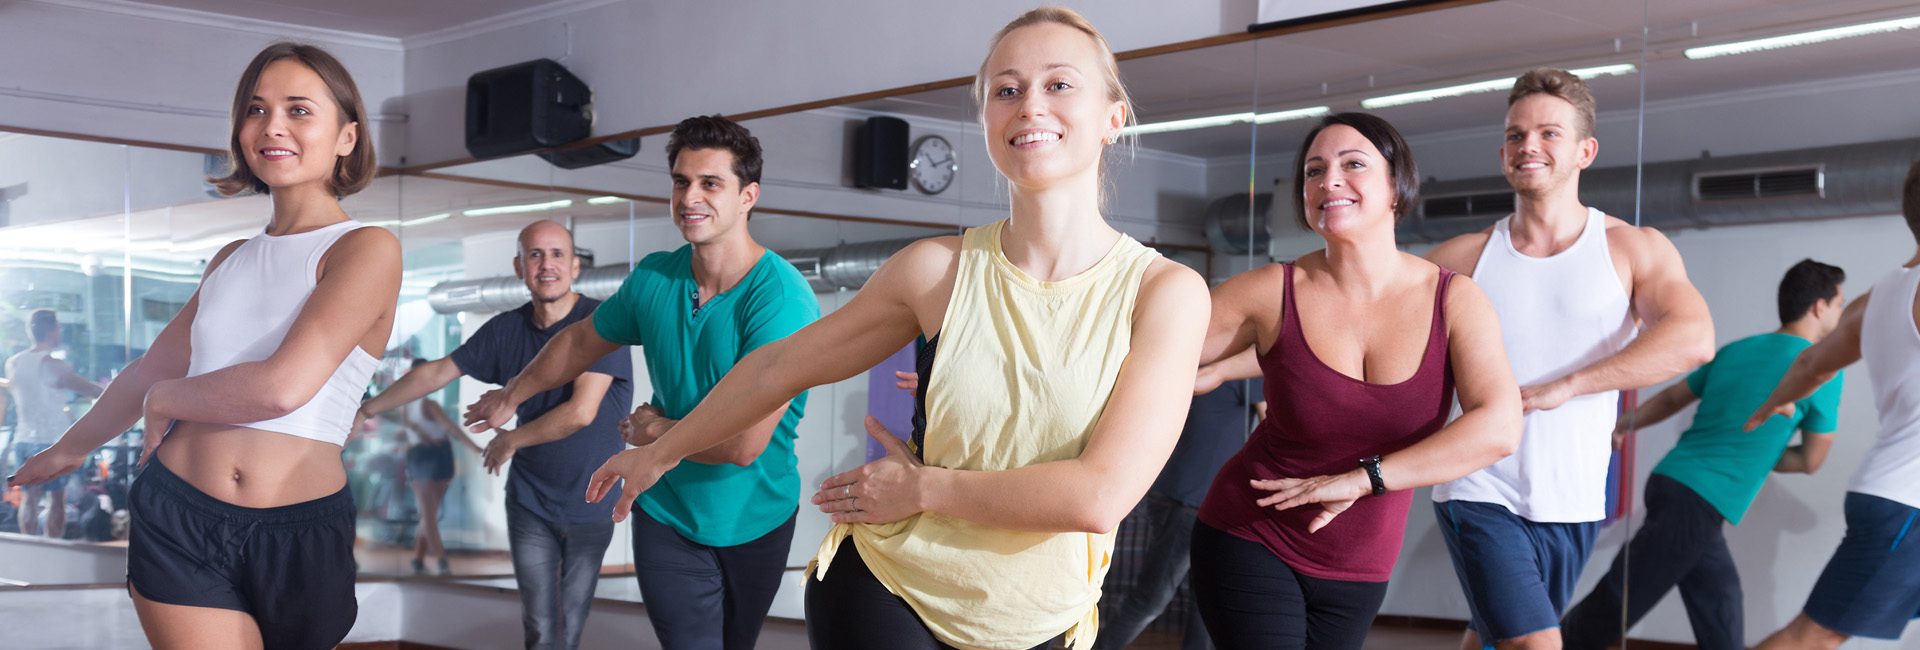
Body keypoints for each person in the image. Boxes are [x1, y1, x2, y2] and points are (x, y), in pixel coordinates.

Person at [572, 8, 1210, 650]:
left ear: (1113, 117)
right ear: (987, 119)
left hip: (1042, 617)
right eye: (1006, 90)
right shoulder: (934, 272)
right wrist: (661, 451)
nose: (1029, 107)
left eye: (1060, 85)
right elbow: (775, 370)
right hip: (890, 589)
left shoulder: (1164, 294)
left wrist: (923, 488)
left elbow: (1098, 496)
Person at [8, 42, 396, 649]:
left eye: (299, 110)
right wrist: (70, 448)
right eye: (257, 110)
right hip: (179, 513)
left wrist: (167, 399)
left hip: (299, 532)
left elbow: (281, 388)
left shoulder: (366, 249)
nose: (273, 126)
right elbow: (148, 371)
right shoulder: (230, 258)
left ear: (346, 136)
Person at [464, 116, 818, 650]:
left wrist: (655, 432)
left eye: (710, 183)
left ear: (748, 196)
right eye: (681, 181)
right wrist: (513, 394)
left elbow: (743, 444)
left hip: (755, 515)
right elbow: (580, 343)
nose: (689, 197)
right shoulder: (656, 277)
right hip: (665, 510)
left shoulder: (781, 300)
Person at [1188, 112, 1521, 648]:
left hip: (1360, 567)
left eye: (1353, 164)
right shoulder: (1271, 291)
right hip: (1252, 534)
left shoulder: (1455, 301)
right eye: (1314, 171)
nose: (1329, 181)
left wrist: (1365, 479)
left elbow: (1500, 427)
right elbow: (1148, 354)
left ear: (1397, 186)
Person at [1423, 68, 1715, 650]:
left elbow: (1693, 338)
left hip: (1574, 497)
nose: (1527, 145)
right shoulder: (1462, 258)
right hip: (1478, 487)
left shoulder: (1633, 248)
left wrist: (1573, 384)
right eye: (1515, 134)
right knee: (1537, 643)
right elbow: (1372, 328)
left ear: (1586, 151)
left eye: (1548, 133)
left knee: (1493, 635)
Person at [357, 219, 632, 648]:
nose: (547, 265)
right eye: (535, 255)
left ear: (575, 266)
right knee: (540, 624)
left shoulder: (601, 323)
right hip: (531, 502)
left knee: (569, 624)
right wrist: (367, 408)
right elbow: (436, 373)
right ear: (519, 267)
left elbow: (580, 413)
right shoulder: (506, 330)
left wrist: (509, 440)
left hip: (591, 499)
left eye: (558, 254)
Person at [1561, 259, 1848, 649]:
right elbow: (1811, 461)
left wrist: (1626, 423)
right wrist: (1765, 452)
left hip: (1674, 483)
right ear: (1819, 306)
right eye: (1840, 304)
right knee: (1616, 602)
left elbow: (1673, 398)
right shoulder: (1820, 369)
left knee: (1721, 604)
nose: (1842, 314)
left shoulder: (1736, 350)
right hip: (1698, 500)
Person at [1749, 161, 1920, 649]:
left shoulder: (1877, 298)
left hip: (1894, 495)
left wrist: (1774, 404)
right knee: (1814, 637)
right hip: (1909, 505)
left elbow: (1811, 368)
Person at [1095, 370, 1264, 650]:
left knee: (1205, 598)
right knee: (1152, 598)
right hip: (1194, 502)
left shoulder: (1195, 364)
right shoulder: (1241, 375)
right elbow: (1276, 422)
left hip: (1176, 493)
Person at [5, 309, 104, 538]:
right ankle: (52, 547)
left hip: (23, 439)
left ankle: (29, 547)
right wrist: (112, 390)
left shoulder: (14, 363)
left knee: (30, 497)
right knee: (57, 498)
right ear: (53, 330)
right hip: (50, 441)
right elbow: (90, 389)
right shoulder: (52, 364)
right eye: (59, 327)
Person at [390, 358, 482, 576]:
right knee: (428, 513)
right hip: (422, 456)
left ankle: (418, 558)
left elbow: (449, 428)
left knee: (428, 513)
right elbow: (412, 430)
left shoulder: (427, 405)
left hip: (437, 456)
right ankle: (441, 560)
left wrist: (475, 448)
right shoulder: (410, 406)